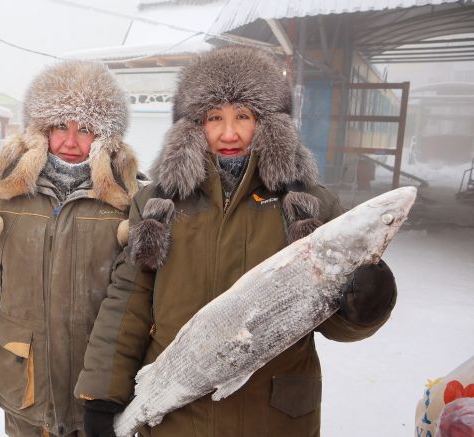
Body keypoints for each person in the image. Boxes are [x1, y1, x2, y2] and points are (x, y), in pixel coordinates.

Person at [75, 46, 398, 437]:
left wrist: (366, 304)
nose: (229, 133)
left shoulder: (312, 205)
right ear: (193, 125)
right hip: (179, 416)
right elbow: (129, 300)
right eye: (215, 117)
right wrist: (101, 396)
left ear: (268, 123)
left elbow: (333, 325)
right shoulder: (159, 203)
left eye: (242, 116)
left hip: (274, 417)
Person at [0, 60, 140, 437]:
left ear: (105, 136)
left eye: (85, 128)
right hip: (24, 393)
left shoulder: (128, 204)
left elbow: (141, 306)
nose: (70, 141)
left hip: (100, 398)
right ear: (39, 130)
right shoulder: (2, 197)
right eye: (59, 127)